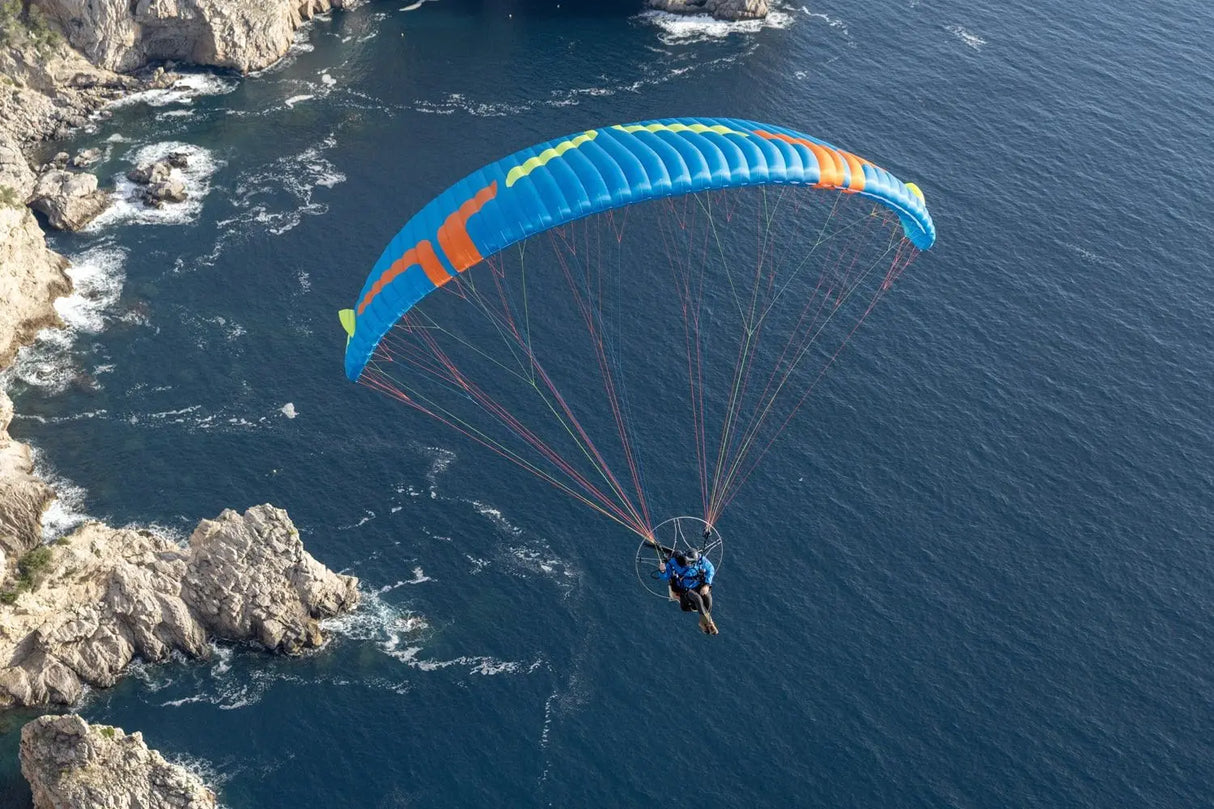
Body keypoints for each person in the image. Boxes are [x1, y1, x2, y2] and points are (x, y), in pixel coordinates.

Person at [658, 548, 718, 635]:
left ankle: (702, 623)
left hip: (698, 584)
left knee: (708, 599)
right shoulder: (673, 562)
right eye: (689, 563)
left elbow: (710, 569)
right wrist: (662, 571)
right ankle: (710, 623)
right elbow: (666, 576)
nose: (690, 564)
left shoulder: (700, 559)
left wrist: (707, 585)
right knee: (697, 599)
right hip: (684, 587)